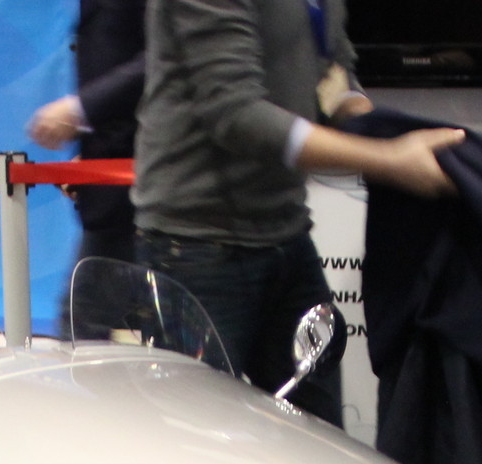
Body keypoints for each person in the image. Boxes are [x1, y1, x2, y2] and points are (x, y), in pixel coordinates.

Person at [131, 0, 459, 424]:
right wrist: (387, 158)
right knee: (197, 446)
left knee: (321, 444)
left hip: (285, 233)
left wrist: (377, 125)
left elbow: (335, 75)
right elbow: (236, 116)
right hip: (197, 248)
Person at [27, 0, 147, 268]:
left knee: (89, 306)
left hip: (149, 196)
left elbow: (166, 59)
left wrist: (79, 110)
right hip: (116, 191)